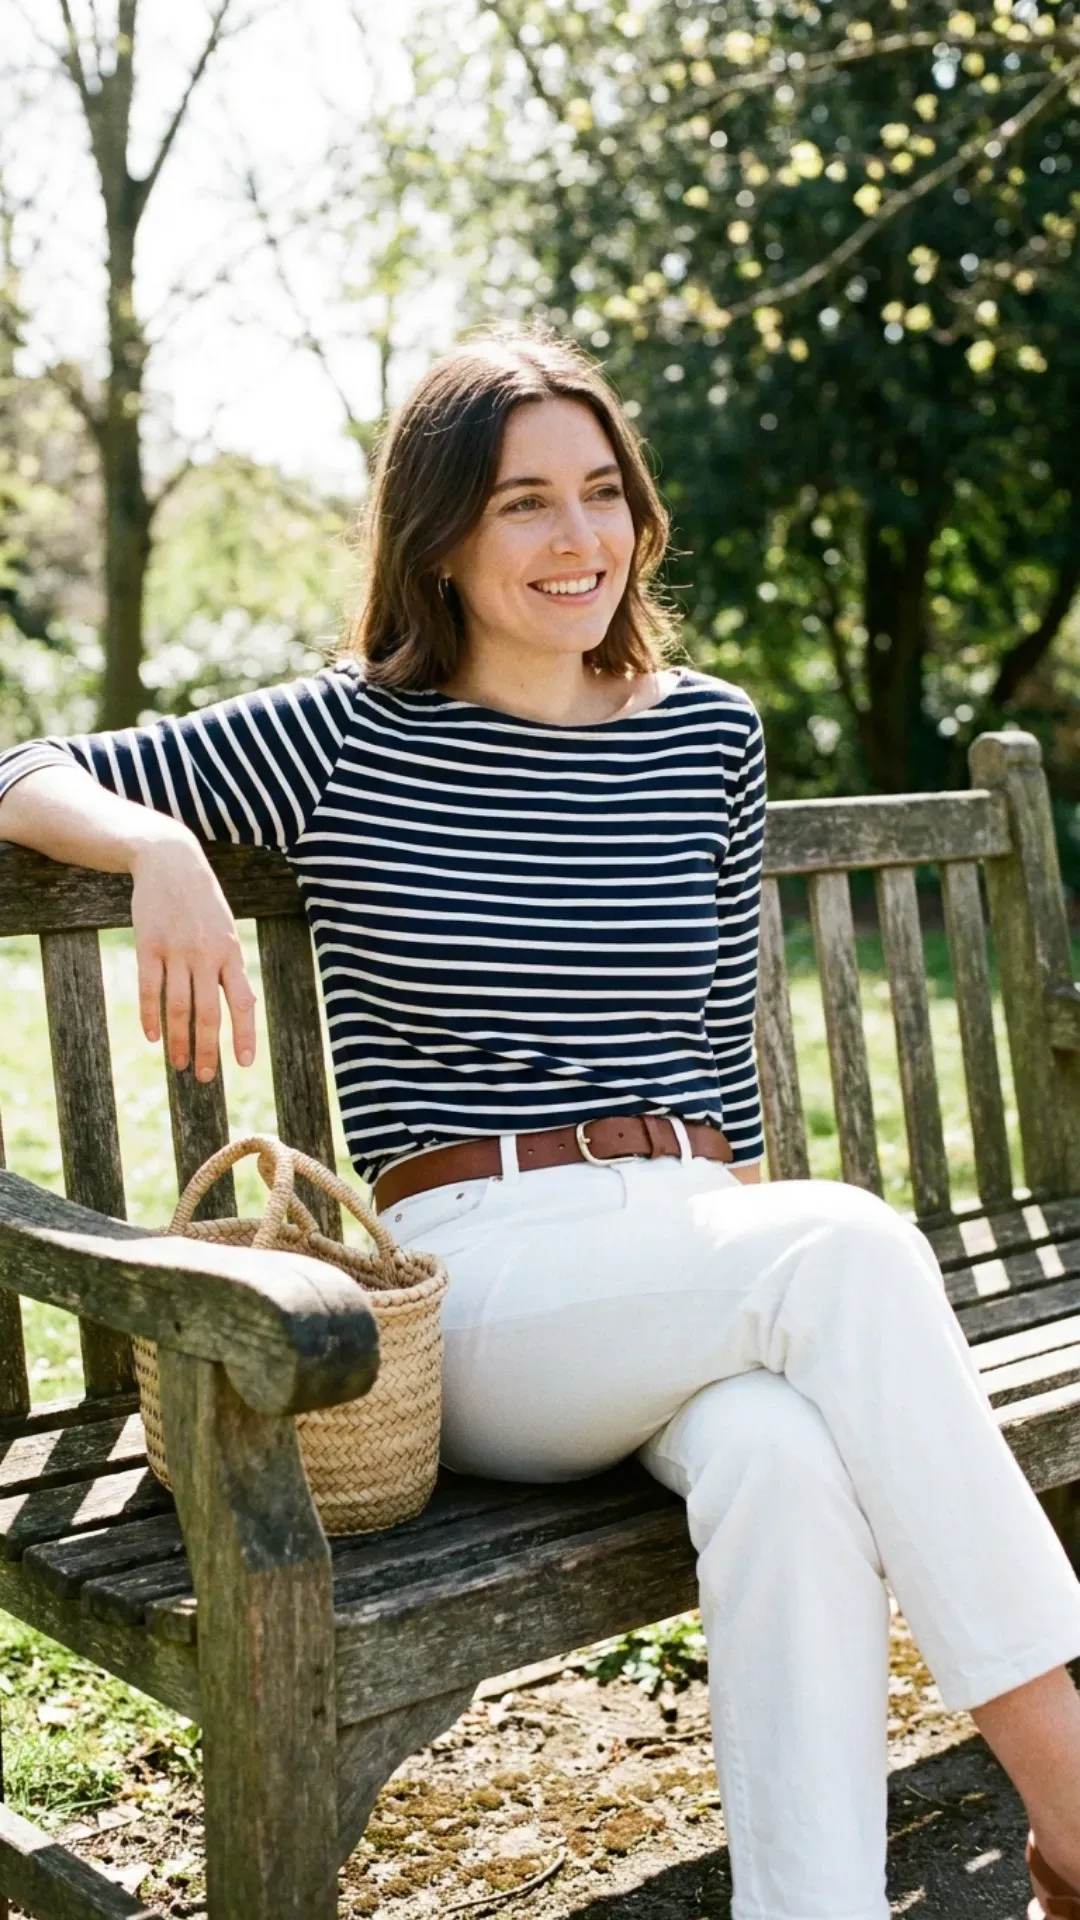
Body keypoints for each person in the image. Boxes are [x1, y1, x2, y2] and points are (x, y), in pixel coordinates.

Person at [1, 327, 1079, 1920]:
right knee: (847, 1246)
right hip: (488, 1278)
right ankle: (1069, 1796)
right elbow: (23, 763)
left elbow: (720, 1051)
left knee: (783, 1461)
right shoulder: (345, 734)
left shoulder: (706, 733)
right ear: (439, 533)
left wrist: (727, 1269)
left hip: (696, 1248)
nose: (578, 539)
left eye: (602, 494)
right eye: (522, 504)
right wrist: (155, 842)